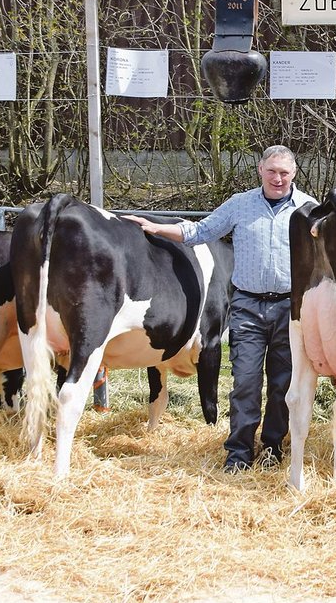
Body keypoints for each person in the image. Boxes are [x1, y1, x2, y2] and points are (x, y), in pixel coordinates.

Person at [125, 145, 315, 472]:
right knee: (245, 382)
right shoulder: (240, 205)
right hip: (247, 309)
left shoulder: (308, 209)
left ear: (294, 173)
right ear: (260, 170)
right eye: (272, 171)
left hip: (290, 309)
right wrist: (157, 229)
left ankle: (272, 447)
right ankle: (239, 453)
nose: (278, 178)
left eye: (284, 172)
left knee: (283, 385)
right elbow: (200, 232)